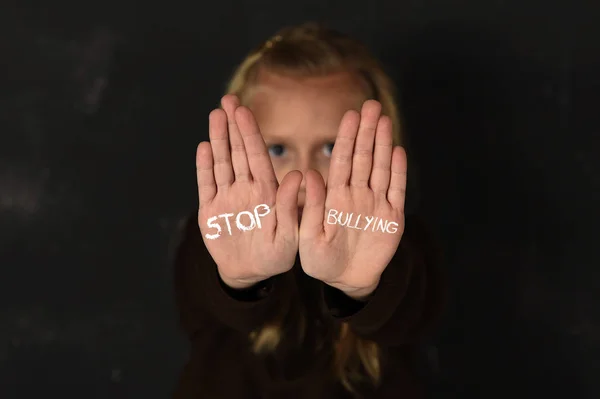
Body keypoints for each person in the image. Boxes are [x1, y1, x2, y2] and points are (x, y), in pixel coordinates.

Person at [173, 22, 445, 398]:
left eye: (332, 148)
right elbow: (210, 308)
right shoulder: (216, 234)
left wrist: (358, 289)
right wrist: (240, 280)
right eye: (279, 150)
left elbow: (409, 312)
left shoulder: (404, 243)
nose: (304, 177)